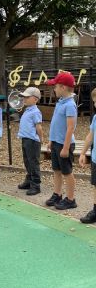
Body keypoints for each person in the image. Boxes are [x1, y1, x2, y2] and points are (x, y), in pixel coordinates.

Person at [45, 72, 77, 210]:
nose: (54, 89)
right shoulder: (60, 102)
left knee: (67, 172)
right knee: (56, 170)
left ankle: (71, 199)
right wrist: (51, 140)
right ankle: (57, 194)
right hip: (56, 142)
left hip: (65, 144)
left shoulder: (70, 105)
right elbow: (55, 124)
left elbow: (70, 128)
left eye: (56, 86)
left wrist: (65, 147)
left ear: (63, 87)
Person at [16, 87, 43, 195]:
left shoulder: (35, 112)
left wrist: (41, 139)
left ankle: (36, 185)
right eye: (24, 97)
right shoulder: (27, 110)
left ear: (35, 99)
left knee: (33, 162)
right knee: (27, 161)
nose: (24, 99)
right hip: (25, 139)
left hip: (32, 141)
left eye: (27, 97)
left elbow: (39, 127)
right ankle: (29, 180)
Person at [79, 88, 96, 224]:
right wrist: (83, 152)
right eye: (94, 102)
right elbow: (90, 136)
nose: (95, 105)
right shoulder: (95, 118)